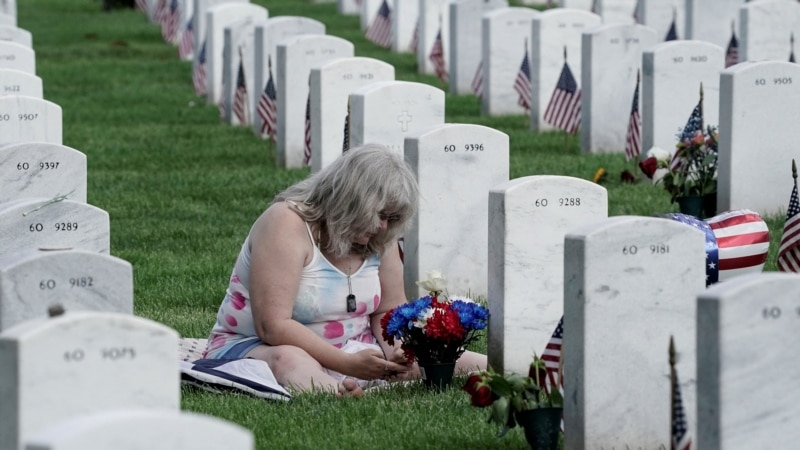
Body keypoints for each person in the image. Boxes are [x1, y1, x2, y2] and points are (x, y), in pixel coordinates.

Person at [204, 144, 486, 397]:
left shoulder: (379, 239)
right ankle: (337, 395)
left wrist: (397, 352)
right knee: (292, 361)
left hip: (356, 348)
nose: (384, 227)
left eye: (392, 218)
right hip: (259, 346)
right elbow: (273, 326)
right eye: (379, 215)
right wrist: (348, 364)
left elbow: (388, 311)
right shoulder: (286, 223)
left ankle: (515, 373)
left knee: (452, 362)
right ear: (350, 200)